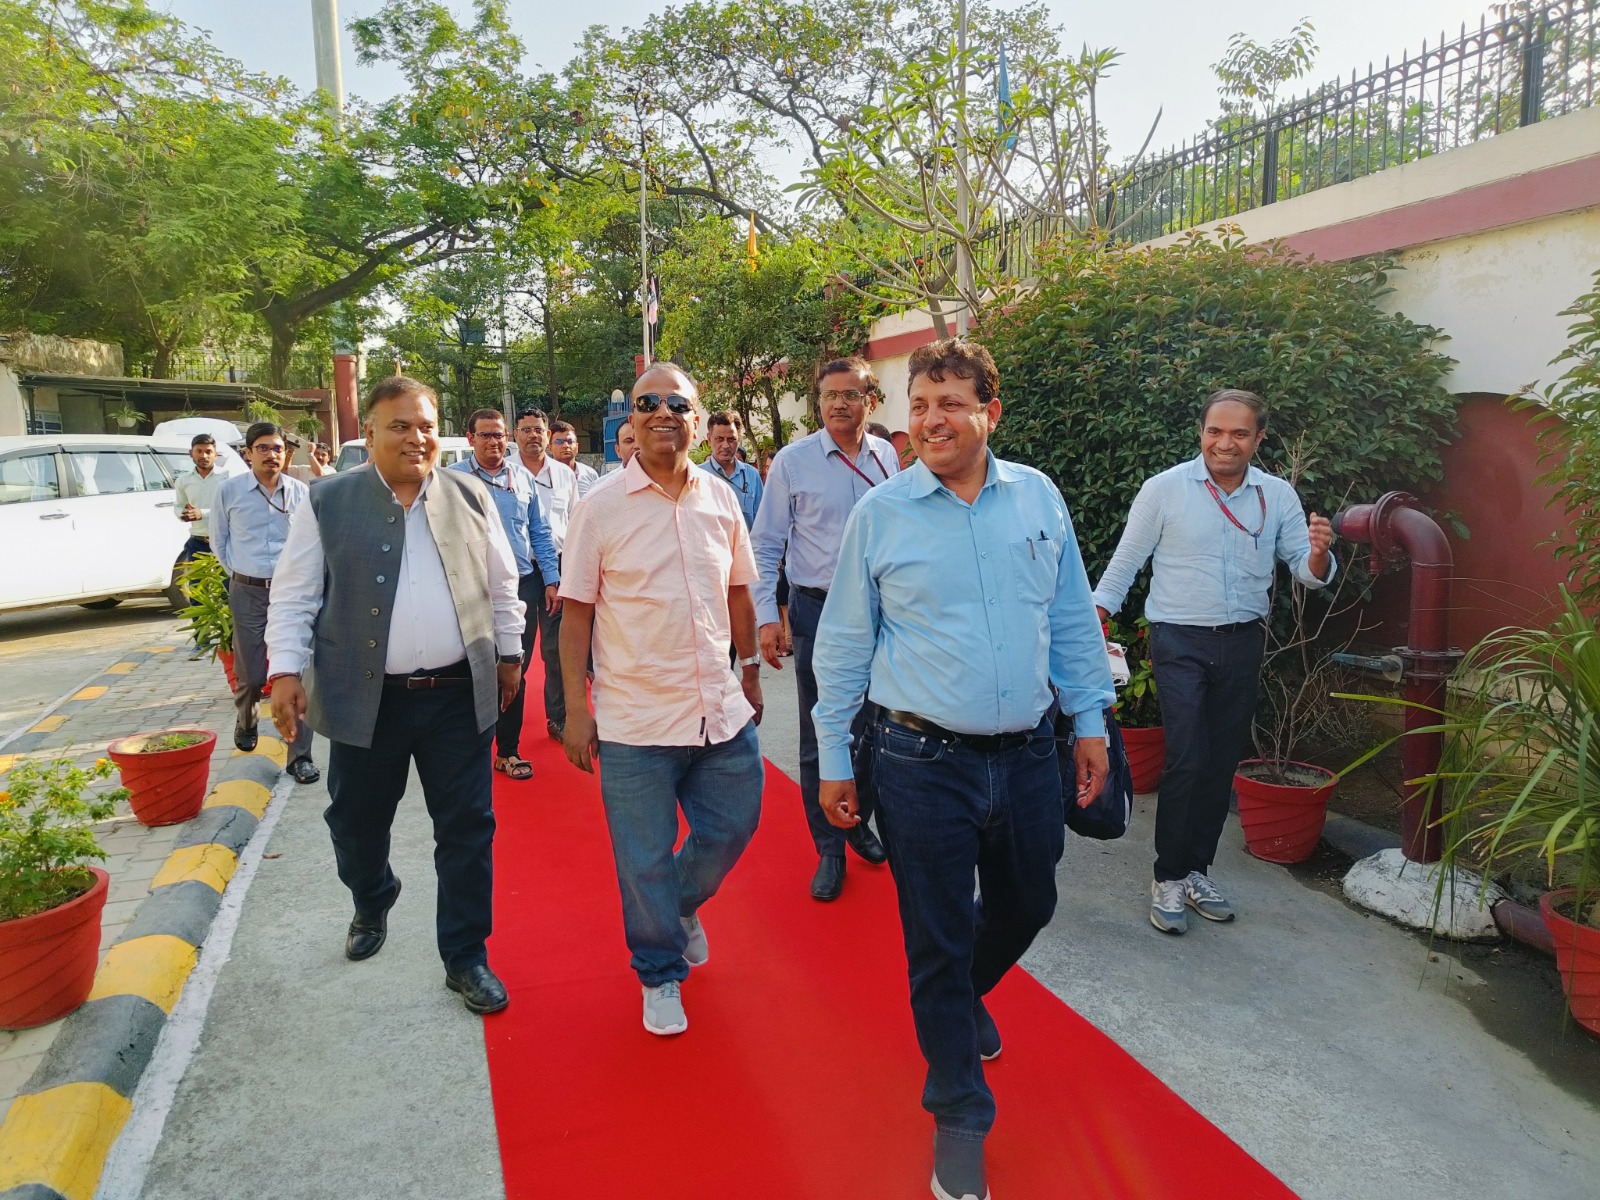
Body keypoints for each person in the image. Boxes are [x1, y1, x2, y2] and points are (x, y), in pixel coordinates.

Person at [812, 338, 1112, 1200]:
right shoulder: (882, 514)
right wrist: (834, 758)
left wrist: (1090, 719)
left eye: (950, 403)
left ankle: (955, 995)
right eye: (919, 405)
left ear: (991, 412)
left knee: (1030, 902)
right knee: (937, 936)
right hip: (919, 761)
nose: (931, 420)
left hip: (1028, 756)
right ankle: (959, 1114)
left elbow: (1070, 616)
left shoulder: (1038, 497)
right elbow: (844, 646)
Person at [265, 377, 525, 1015]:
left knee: (467, 829)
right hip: (365, 698)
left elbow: (502, 582)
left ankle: (465, 956)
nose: (417, 438)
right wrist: (285, 671)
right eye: (400, 426)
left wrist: (510, 653)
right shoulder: (328, 500)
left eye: (426, 426)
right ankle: (373, 894)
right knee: (354, 823)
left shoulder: (471, 494)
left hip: (456, 695)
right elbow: (295, 593)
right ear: (372, 433)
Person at [558, 363, 765, 1038]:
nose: (662, 412)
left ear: (697, 420)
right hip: (636, 722)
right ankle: (658, 971)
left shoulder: (720, 498)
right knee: (642, 859)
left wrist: (751, 670)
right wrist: (577, 708)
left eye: (678, 403)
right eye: (648, 402)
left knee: (732, 827)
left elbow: (739, 591)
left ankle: (677, 906)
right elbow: (577, 613)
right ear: (632, 419)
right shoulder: (600, 507)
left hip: (719, 710)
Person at [1092, 387, 1335, 935]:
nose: (1225, 443)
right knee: (1187, 757)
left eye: (1239, 433)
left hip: (1243, 641)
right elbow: (1125, 562)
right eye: (1215, 431)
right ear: (1201, 433)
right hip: (1178, 640)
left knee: (1221, 761)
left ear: (1258, 439)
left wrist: (1320, 554)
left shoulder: (1276, 496)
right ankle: (1168, 876)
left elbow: (1305, 569)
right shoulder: (1165, 490)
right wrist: (1090, 621)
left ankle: (1197, 870)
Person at [751, 356, 899, 901]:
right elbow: (766, 545)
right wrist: (768, 617)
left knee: (879, 726)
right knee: (823, 730)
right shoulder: (793, 463)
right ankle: (830, 848)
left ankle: (857, 820)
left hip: (884, 614)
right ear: (819, 403)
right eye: (830, 395)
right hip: (819, 611)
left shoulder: (887, 457)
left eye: (851, 394)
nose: (840, 404)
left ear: (870, 401)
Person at [449, 407, 562, 782]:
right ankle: (468, 749)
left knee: (514, 667)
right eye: (485, 435)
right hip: (469, 588)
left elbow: (540, 532)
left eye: (498, 435)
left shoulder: (521, 479)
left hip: (521, 586)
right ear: (470, 438)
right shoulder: (452, 480)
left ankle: (508, 751)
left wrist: (552, 579)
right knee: (469, 669)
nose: (493, 442)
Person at [211, 422, 318, 785]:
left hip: (293, 592)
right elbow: (219, 541)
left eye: (277, 449)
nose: (271, 455)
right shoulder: (229, 492)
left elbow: (311, 542)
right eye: (263, 448)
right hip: (249, 591)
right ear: (248, 453)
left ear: (286, 454)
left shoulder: (301, 493)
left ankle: (300, 757)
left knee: (299, 673)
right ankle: (248, 720)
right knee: (253, 673)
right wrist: (244, 574)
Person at [514, 407, 579, 741]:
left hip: (558, 568)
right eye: (526, 430)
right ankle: (506, 722)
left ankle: (558, 718)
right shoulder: (505, 474)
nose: (533, 435)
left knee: (555, 650)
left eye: (538, 430)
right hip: (520, 573)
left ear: (547, 435)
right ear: (515, 435)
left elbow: (575, 523)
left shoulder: (564, 475)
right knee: (516, 649)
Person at [700, 411, 763, 530]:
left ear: (739, 439)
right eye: (719, 439)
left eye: (731, 439)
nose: (725, 445)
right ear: (709, 439)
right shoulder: (698, 476)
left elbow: (762, 521)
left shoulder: (751, 475)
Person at [173, 432, 222, 565]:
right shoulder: (183, 480)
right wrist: (183, 514)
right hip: (197, 541)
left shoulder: (227, 478)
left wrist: (202, 513)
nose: (204, 456)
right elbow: (179, 505)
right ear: (191, 453)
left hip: (224, 540)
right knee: (196, 579)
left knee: (226, 579)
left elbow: (231, 509)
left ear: (215, 455)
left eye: (208, 452)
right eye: (199, 451)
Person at [549, 419, 599, 496]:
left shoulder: (590, 474)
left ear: (577, 447)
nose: (566, 446)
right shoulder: (543, 476)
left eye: (570, 441)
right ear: (550, 448)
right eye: (559, 442)